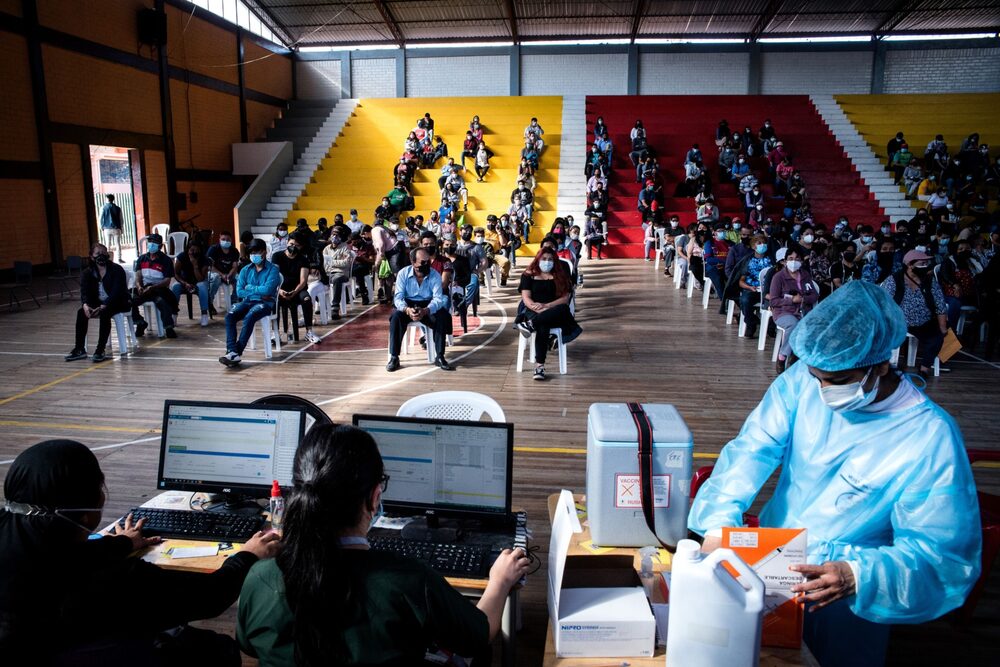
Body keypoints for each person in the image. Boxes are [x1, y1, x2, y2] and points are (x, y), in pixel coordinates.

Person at [689, 281, 981, 667]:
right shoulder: (804, 383)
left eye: (838, 381)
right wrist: (718, 525)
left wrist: (859, 576)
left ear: (880, 363)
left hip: (848, 593)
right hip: (769, 561)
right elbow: (752, 449)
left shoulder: (929, 437)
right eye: (816, 377)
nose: (823, 391)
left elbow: (941, 554)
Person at [237, 424, 529, 666]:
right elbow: (479, 635)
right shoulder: (408, 581)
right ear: (374, 497)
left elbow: (248, 645)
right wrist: (500, 582)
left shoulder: (260, 578)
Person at [0, 440, 280, 665]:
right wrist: (249, 554)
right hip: (90, 648)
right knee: (219, 649)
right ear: (88, 510)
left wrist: (121, 544)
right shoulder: (117, 579)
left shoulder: (23, 538)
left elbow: (67, 558)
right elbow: (209, 597)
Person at [515, 248, 582, 381]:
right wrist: (537, 308)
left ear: (555, 261)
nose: (547, 262)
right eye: (544, 259)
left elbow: (564, 299)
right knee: (543, 325)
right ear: (538, 259)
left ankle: (529, 325)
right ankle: (540, 366)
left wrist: (547, 306)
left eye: (550, 259)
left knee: (563, 308)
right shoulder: (528, 275)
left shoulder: (560, 275)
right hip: (534, 310)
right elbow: (526, 298)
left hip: (555, 310)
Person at [881, 250, 949, 376]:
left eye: (926, 263)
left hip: (924, 321)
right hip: (899, 322)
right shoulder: (893, 280)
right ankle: (888, 365)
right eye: (922, 263)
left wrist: (943, 327)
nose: (925, 266)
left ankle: (925, 367)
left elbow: (940, 304)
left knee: (940, 336)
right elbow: (883, 303)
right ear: (910, 265)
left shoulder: (930, 281)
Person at [386, 248, 454, 372]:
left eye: (427, 262)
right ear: (413, 262)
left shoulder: (435, 275)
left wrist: (426, 310)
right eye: (422, 262)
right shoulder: (403, 273)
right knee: (395, 317)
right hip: (408, 304)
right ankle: (394, 357)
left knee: (442, 316)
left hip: (428, 304)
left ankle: (439, 356)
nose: (426, 265)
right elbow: (398, 298)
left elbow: (438, 299)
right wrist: (407, 310)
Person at [220, 239, 282, 367]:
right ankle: (232, 351)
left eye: (256, 252)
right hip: (248, 301)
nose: (254, 255)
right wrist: (258, 292)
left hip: (266, 304)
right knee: (229, 316)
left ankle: (236, 352)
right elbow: (239, 291)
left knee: (250, 317)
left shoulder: (273, 270)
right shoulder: (245, 270)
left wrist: (250, 288)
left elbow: (268, 290)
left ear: (264, 252)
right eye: (251, 252)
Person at [65, 243, 131, 363]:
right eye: (97, 253)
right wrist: (85, 305)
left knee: (105, 313)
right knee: (81, 313)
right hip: (98, 302)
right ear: (91, 257)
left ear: (108, 254)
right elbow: (84, 292)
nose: (101, 255)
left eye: (103, 253)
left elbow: (117, 291)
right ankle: (79, 349)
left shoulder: (116, 270)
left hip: (117, 302)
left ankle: (100, 349)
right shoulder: (87, 273)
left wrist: (103, 305)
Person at [767, 248, 818, 373]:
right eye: (790, 259)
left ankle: (797, 357)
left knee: (812, 326)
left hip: (803, 311)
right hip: (783, 312)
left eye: (797, 259)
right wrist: (792, 300)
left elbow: (814, 295)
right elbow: (773, 301)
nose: (794, 262)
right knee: (794, 325)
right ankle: (782, 356)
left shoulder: (805, 275)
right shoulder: (778, 277)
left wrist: (802, 299)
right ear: (785, 261)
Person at [272, 233, 319, 343]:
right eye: (292, 243)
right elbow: (274, 277)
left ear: (301, 247)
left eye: (297, 245)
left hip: (298, 290)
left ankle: (309, 332)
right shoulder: (277, 256)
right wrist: (280, 291)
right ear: (287, 243)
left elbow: (303, 281)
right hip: (280, 290)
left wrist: (294, 292)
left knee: (307, 299)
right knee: (274, 302)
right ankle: (275, 333)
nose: (294, 246)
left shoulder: (303, 259)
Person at [131, 233, 178, 339]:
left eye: (155, 243)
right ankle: (140, 323)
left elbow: (167, 281)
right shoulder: (142, 259)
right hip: (144, 288)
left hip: (159, 289)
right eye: (150, 242)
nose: (151, 245)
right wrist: (139, 286)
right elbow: (138, 276)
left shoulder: (166, 260)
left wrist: (153, 287)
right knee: (129, 299)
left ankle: (168, 327)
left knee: (162, 301)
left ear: (160, 246)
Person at [170, 241, 218, 327]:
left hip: (198, 282)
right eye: (192, 250)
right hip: (184, 282)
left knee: (202, 286)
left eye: (196, 250)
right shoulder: (182, 256)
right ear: (188, 249)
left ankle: (204, 314)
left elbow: (200, 279)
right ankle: (174, 314)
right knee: (175, 287)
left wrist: (195, 265)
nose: (193, 252)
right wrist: (184, 283)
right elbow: (175, 273)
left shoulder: (204, 259)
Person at [737, 236, 774, 339]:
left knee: (775, 302)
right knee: (744, 300)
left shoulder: (771, 259)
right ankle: (751, 323)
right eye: (759, 243)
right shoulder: (748, 260)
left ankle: (770, 327)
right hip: (753, 289)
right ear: (753, 246)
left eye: (764, 243)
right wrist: (749, 287)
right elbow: (741, 281)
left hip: (768, 290)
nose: (762, 245)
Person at [206, 231, 241, 304]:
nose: (225, 241)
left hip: (229, 274)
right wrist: (222, 275)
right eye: (223, 239)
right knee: (215, 279)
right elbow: (209, 267)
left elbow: (235, 266)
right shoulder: (213, 249)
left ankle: (234, 301)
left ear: (231, 240)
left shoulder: (234, 251)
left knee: (240, 279)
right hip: (215, 273)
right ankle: (210, 303)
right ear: (219, 239)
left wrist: (229, 275)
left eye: (228, 239)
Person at [98, 194, 124, 263]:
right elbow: (121, 220)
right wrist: (121, 228)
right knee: (118, 244)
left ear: (107, 199)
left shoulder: (103, 207)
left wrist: (101, 227)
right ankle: (119, 258)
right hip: (116, 228)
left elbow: (100, 218)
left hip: (107, 228)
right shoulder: (118, 208)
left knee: (107, 244)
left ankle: (108, 259)